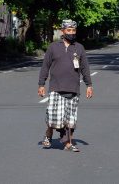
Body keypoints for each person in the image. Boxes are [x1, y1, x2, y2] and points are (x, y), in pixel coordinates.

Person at [38, 19, 93, 152]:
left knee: (70, 119)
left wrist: (89, 85)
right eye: (69, 30)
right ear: (63, 31)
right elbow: (45, 66)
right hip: (56, 87)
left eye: (74, 30)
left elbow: (85, 67)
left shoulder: (79, 48)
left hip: (73, 87)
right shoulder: (53, 47)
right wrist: (41, 84)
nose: (71, 33)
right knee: (53, 116)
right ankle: (49, 134)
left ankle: (68, 143)